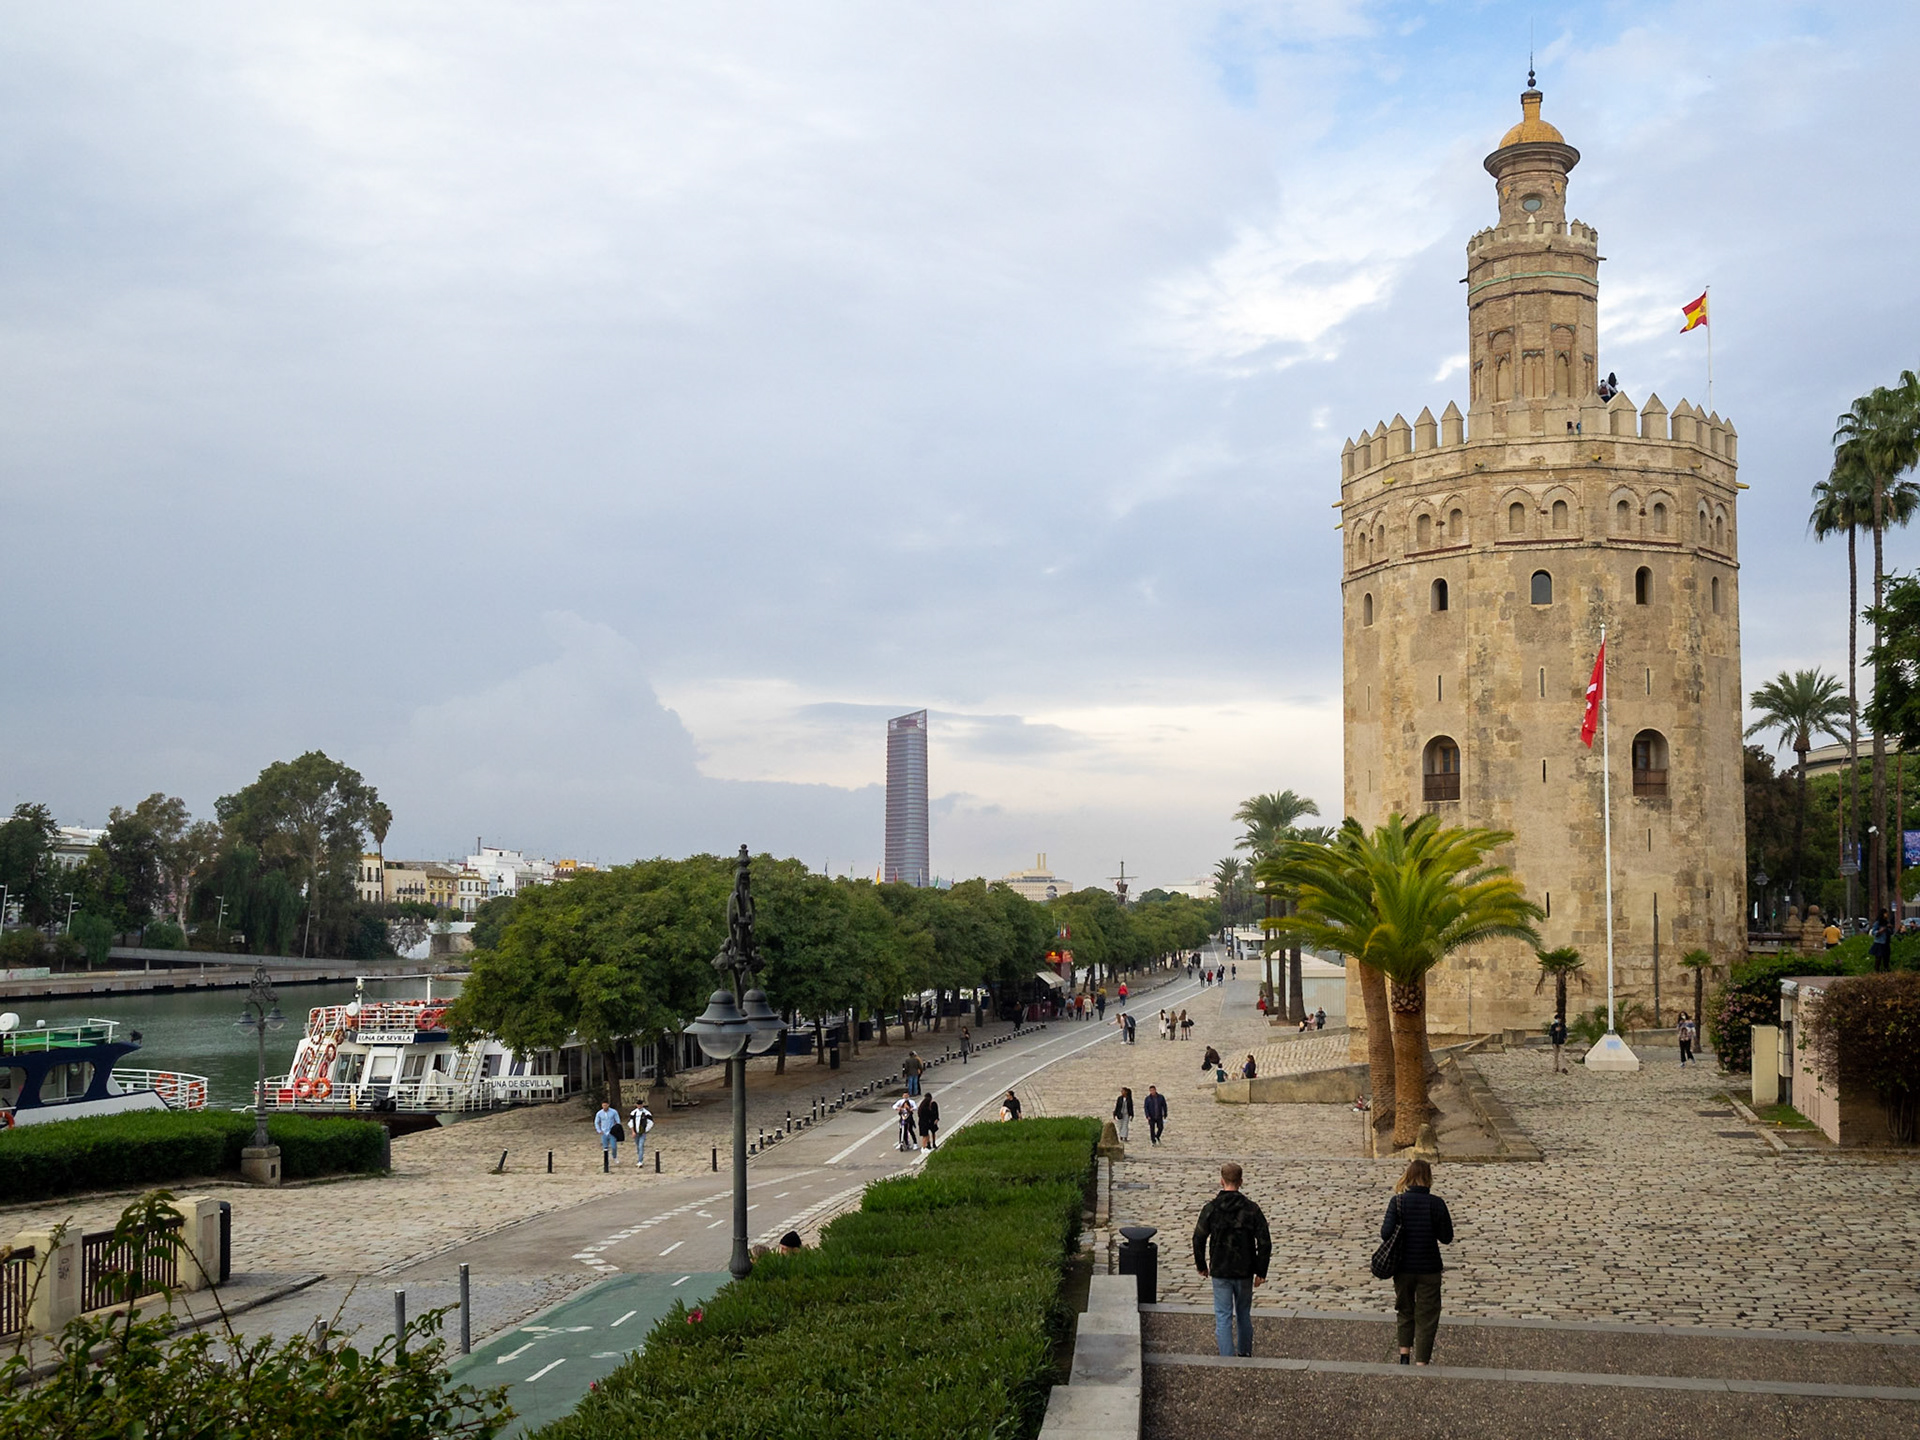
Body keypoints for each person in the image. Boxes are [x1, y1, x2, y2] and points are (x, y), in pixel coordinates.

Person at [1192, 1161, 1271, 1358]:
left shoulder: (1211, 1208)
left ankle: (1227, 1358)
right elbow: (1264, 1242)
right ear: (1241, 1182)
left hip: (1220, 1269)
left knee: (1223, 1315)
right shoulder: (1252, 1209)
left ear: (1222, 1181)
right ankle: (1244, 1353)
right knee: (1243, 1314)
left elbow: (1198, 1238)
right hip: (1244, 1270)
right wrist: (1261, 1271)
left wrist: (1201, 1265)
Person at [1381, 1158, 1454, 1365]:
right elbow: (1446, 1237)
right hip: (1429, 1268)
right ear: (1429, 1178)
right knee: (1427, 1315)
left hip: (1402, 1267)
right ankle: (1422, 1361)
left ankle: (1404, 1355)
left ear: (1408, 1177)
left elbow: (1385, 1234)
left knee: (1405, 1310)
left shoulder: (1397, 1202)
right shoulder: (1436, 1204)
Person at [629, 1100, 655, 1168]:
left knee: (641, 1146)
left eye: (640, 1105)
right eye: (638, 1105)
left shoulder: (646, 1113)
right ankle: (639, 1157)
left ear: (642, 1105)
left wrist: (645, 1130)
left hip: (642, 1132)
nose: (639, 1106)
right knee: (638, 1146)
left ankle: (640, 1161)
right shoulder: (633, 1113)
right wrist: (633, 1131)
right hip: (636, 1132)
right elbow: (631, 1122)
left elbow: (651, 1122)